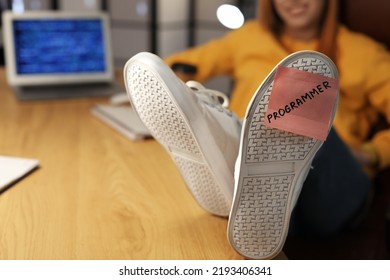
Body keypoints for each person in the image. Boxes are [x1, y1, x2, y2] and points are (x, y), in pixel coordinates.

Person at [124, 0, 390, 259]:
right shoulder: (249, 37)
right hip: (269, 187)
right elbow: (183, 64)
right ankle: (237, 157)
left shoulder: (363, 53)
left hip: (333, 186)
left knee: (305, 111)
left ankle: (235, 165)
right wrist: (170, 86)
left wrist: (371, 152)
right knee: (240, 130)